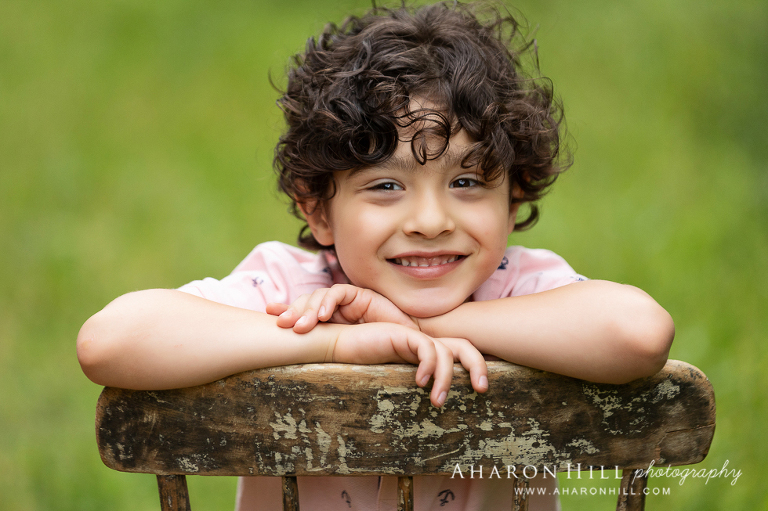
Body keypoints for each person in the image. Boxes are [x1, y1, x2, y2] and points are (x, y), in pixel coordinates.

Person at [77, 2, 675, 510]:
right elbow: (110, 342)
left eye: (467, 182)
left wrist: (424, 325)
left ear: (513, 197)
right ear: (318, 210)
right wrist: (338, 343)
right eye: (386, 185)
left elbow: (639, 334)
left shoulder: (518, 286)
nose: (430, 221)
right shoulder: (294, 292)